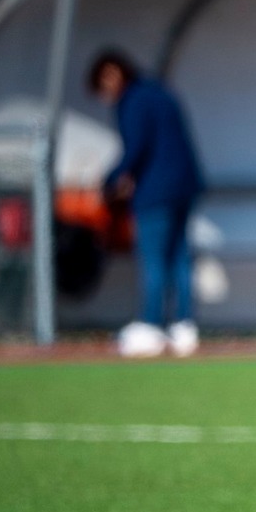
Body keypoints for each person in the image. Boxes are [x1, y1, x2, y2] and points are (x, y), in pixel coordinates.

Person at [87, 50, 204, 358]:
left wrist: (108, 182)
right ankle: (184, 326)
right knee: (179, 257)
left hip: (156, 191)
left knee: (153, 259)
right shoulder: (159, 93)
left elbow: (136, 148)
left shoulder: (135, 100)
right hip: (185, 185)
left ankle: (152, 324)